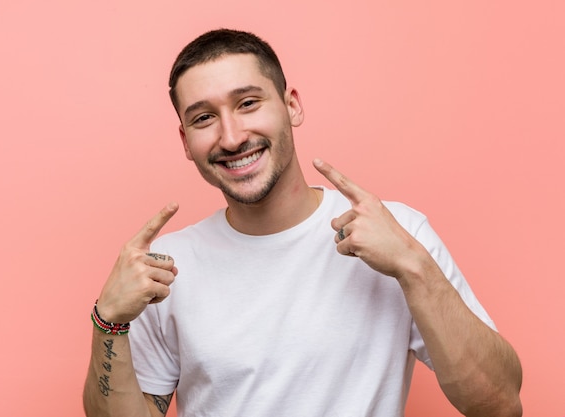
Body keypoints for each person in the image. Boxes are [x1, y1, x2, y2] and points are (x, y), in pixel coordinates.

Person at [83, 29, 522, 417]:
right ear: (186, 140)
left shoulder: (397, 232)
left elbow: (499, 405)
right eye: (203, 118)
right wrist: (109, 320)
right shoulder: (167, 267)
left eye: (248, 103)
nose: (232, 136)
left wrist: (414, 267)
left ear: (291, 105)